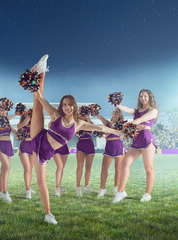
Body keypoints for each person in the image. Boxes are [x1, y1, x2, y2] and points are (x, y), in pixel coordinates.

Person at [28, 54, 123, 224]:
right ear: (62, 106)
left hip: (43, 153)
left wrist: (117, 132)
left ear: (74, 106)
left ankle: (48, 213)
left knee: (41, 182)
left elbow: (100, 128)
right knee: (37, 107)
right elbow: (41, 98)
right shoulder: (55, 115)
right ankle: (42, 70)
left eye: (70, 104)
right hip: (38, 136)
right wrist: (32, 80)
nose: (67, 107)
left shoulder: (78, 124)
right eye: (64, 104)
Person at [113, 89, 158, 203]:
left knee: (148, 168)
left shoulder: (153, 110)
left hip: (146, 138)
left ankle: (147, 194)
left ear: (150, 97)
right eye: (141, 96)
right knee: (125, 163)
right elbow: (128, 109)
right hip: (137, 138)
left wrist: (127, 126)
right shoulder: (137, 110)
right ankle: (120, 192)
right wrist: (118, 105)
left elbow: (141, 119)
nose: (143, 98)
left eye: (145, 96)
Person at [96, 108, 125, 197]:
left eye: (117, 112)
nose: (115, 113)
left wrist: (108, 131)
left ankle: (116, 187)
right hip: (109, 146)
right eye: (113, 111)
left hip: (118, 146)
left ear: (120, 115)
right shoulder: (107, 123)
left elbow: (122, 133)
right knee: (104, 168)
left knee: (118, 169)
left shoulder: (122, 124)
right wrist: (93, 111)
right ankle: (102, 189)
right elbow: (99, 117)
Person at [0, 110, 17, 202]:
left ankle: (0, 190)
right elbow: (3, 120)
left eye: (6, 111)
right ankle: (5, 192)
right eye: (2, 111)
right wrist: (16, 114)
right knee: (7, 167)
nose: (4, 112)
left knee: (3, 168)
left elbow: (14, 132)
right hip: (1, 145)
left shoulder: (8, 122)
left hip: (9, 146)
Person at [17, 114, 36, 199]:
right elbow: (21, 126)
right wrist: (27, 119)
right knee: (27, 168)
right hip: (24, 147)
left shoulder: (34, 125)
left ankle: (29, 186)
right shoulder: (20, 124)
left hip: (32, 148)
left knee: (30, 169)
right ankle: (27, 190)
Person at [75, 114, 95, 196]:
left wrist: (87, 117)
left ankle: (86, 185)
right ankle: (78, 187)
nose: (81, 115)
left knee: (88, 167)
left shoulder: (89, 123)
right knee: (80, 166)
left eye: (83, 114)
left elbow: (92, 126)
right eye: (80, 114)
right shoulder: (76, 123)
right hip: (81, 144)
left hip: (90, 144)